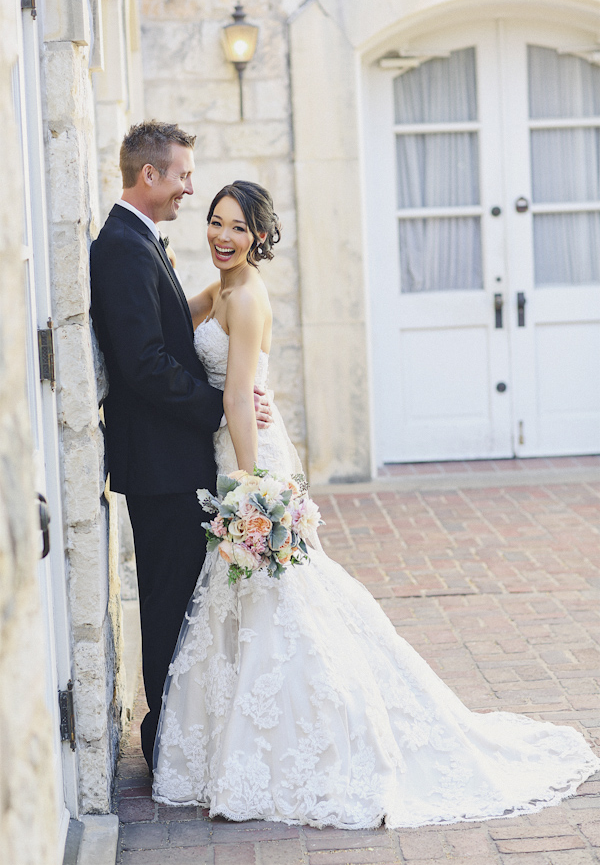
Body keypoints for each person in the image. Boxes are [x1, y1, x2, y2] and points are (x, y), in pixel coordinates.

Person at [152, 180, 599, 829]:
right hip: (238, 442)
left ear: (262, 238)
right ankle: (244, 746)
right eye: (216, 223)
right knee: (253, 597)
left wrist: (250, 491)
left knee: (281, 593)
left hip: (248, 457)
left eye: (239, 229)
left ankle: (313, 739)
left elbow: (237, 397)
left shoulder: (247, 297)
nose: (223, 236)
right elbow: (179, 327)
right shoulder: (221, 287)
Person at [89, 124, 271, 771]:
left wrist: (236, 403)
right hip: (162, 464)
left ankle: (179, 732)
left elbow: (182, 319)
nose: (189, 189)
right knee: (170, 602)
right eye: (184, 177)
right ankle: (169, 739)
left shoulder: (142, 242)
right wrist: (220, 410)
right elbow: (141, 364)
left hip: (175, 459)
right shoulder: (121, 248)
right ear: (151, 176)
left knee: (185, 600)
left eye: (234, 224)